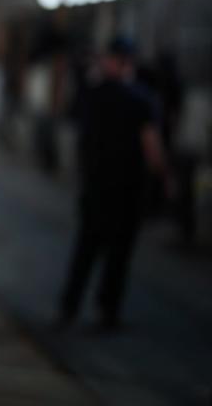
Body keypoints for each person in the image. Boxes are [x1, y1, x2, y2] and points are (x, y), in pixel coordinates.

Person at [58, 36, 165, 331]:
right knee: (117, 255)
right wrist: (164, 179)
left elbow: (75, 126)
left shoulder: (93, 94)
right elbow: (151, 146)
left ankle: (70, 307)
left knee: (87, 249)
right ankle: (107, 312)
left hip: (96, 187)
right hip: (127, 191)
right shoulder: (143, 99)